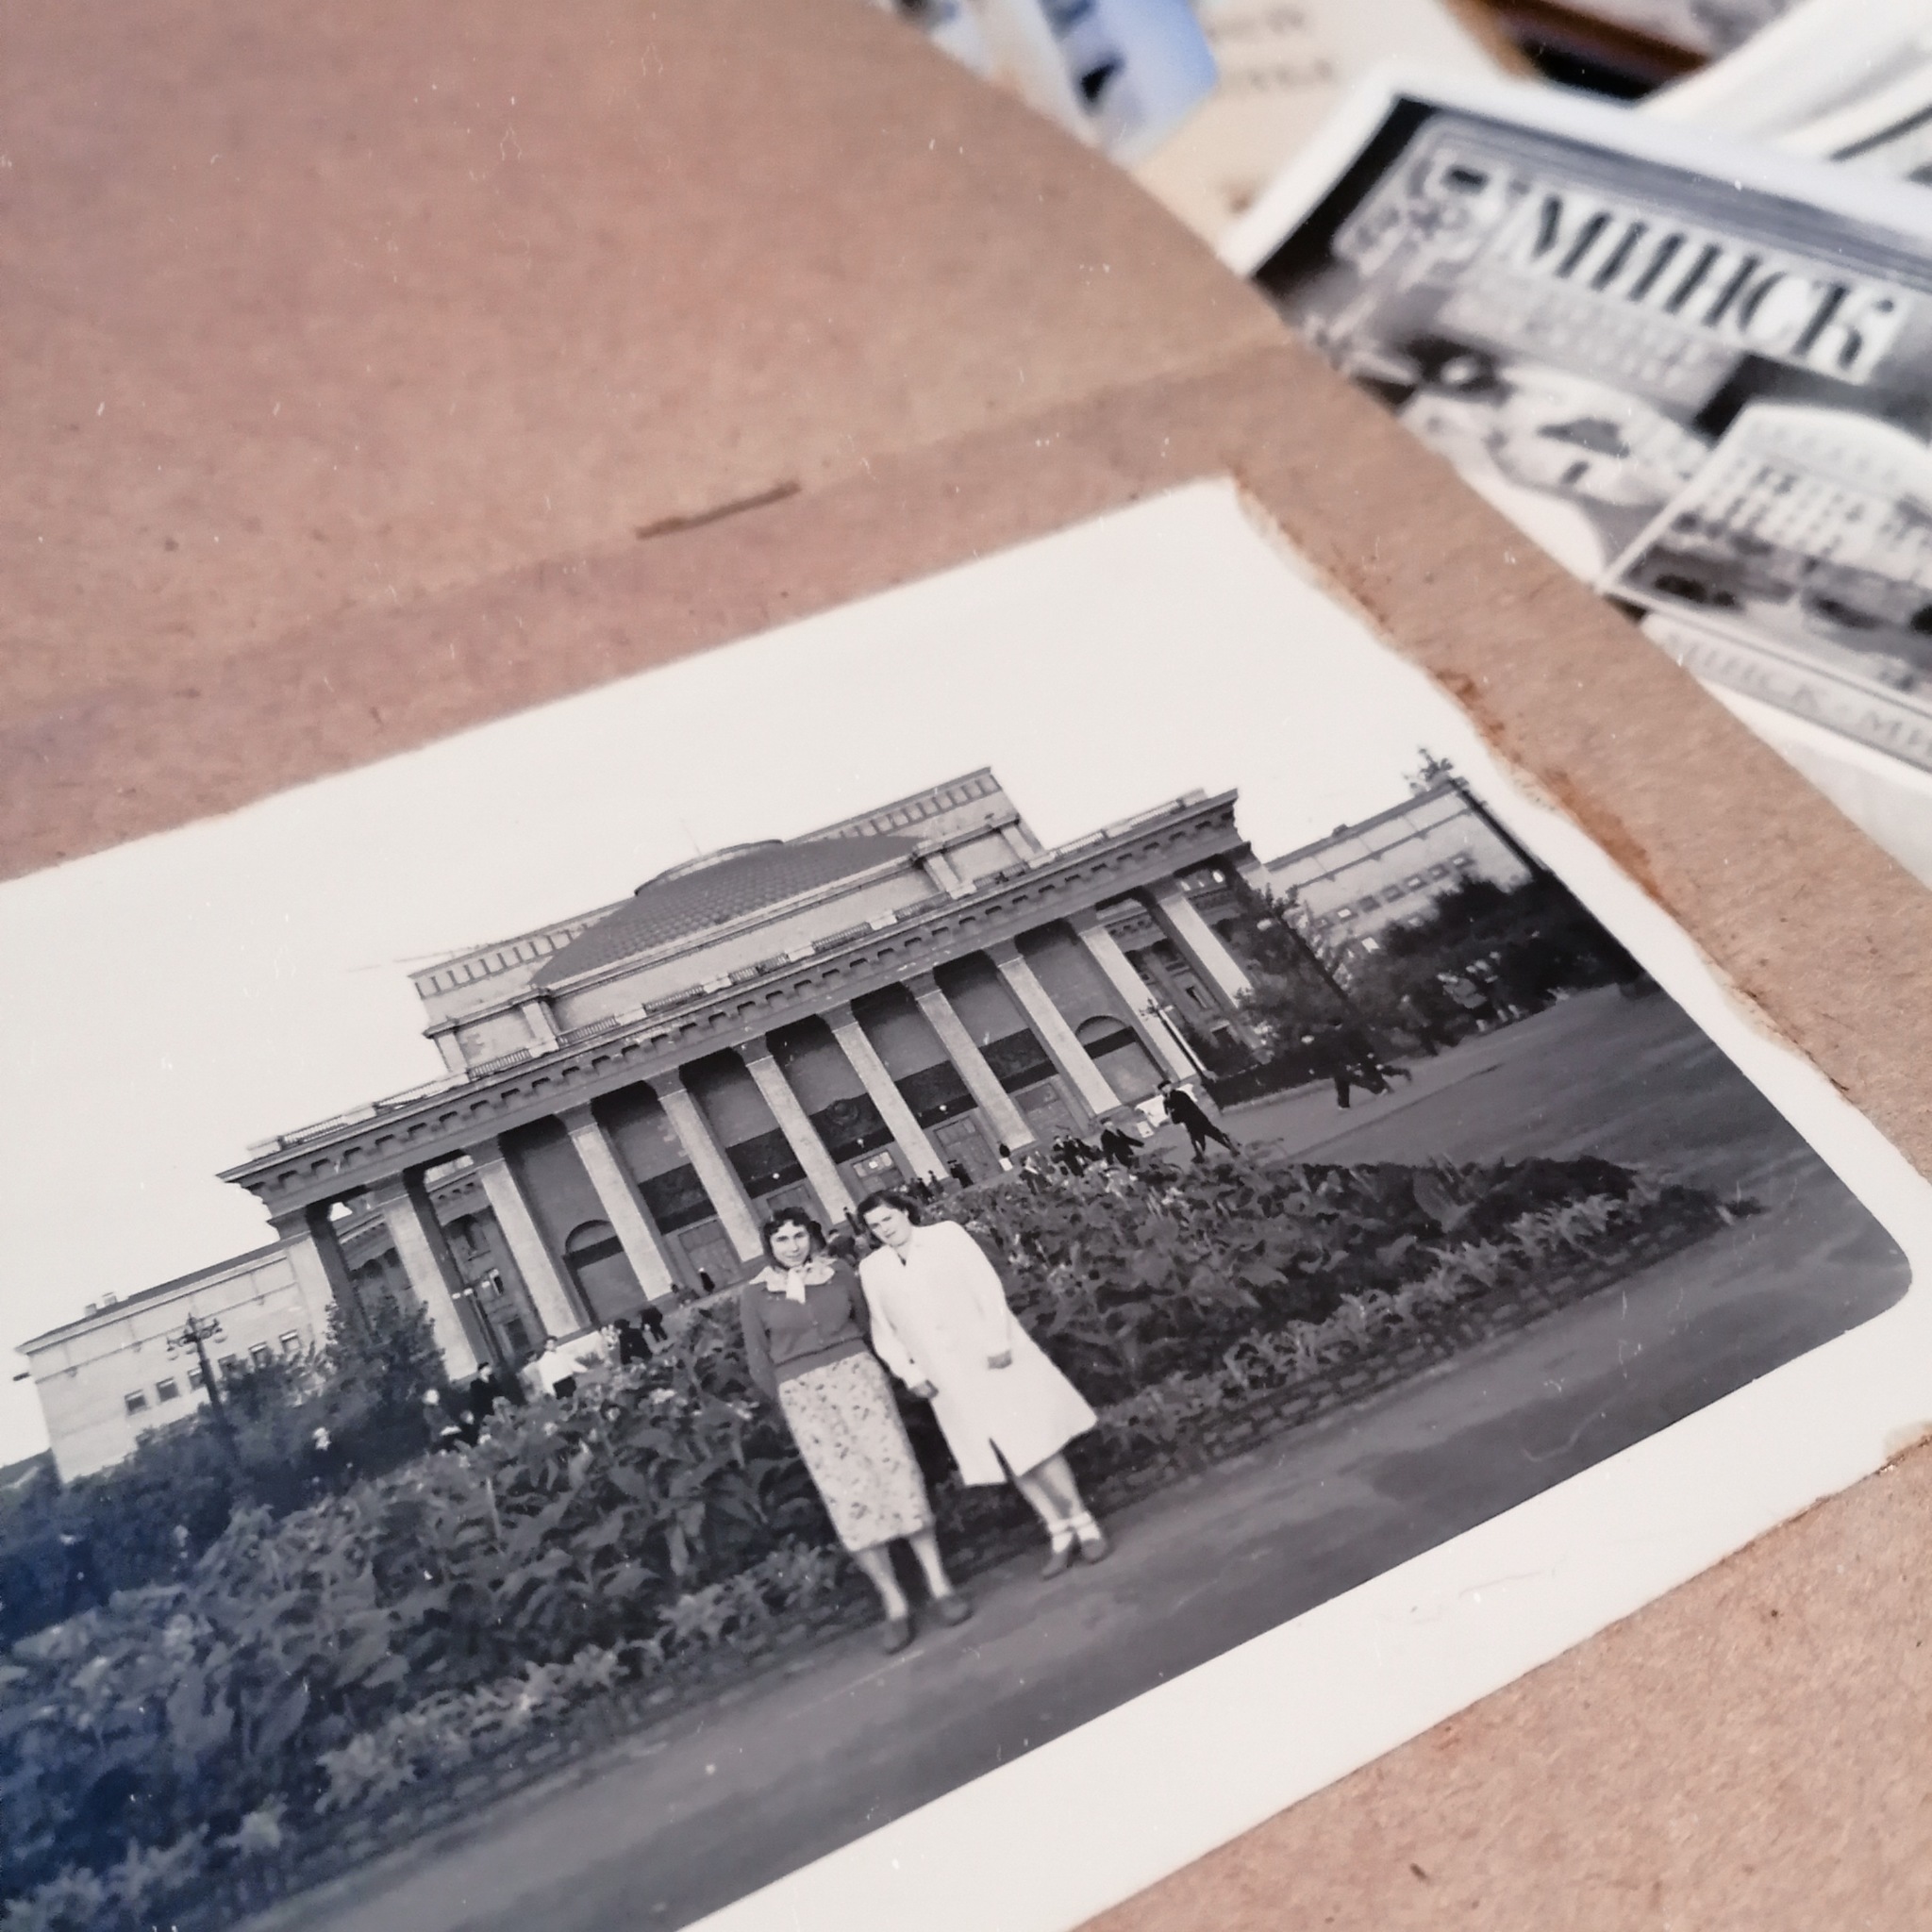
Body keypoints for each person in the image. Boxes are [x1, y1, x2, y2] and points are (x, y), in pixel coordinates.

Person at [740, 1206, 971, 1653]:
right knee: (846, 1492)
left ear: (812, 1236)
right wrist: (794, 1395)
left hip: (858, 1379)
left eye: (799, 1236)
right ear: (769, 1246)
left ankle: (940, 1585)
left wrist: (853, 1365)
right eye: (782, 1239)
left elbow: (865, 1323)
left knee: (895, 1470)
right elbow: (758, 1361)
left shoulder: (838, 1272)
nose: (793, 1246)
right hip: (804, 1396)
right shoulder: (755, 1295)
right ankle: (895, 1602)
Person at [857, 1189, 1108, 1578]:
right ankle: (1057, 1531)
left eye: (888, 1219)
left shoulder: (946, 1235)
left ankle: (1083, 1522)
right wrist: (911, 1374)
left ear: (905, 1212)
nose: (883, 1230)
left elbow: (987, 1287)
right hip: (944, 1377)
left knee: (1034, 1441)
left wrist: (997, 1341)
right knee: (1001, 1450)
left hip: (991, 1358)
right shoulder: (874, 1268)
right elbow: (882, 1331)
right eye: (874, 1227)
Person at [1157, 1079, 1237, 1158]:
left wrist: (1175, 1113)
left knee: (1212, 1133)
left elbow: (1184, 1108)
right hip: (1189, 1122)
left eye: (1167, 1086)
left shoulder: (1179, 1094)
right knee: (1197, 1139)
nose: (1165, 1089)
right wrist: (1175, 1117)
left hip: (1197, 1118)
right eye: (1163, 1088)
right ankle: (1200, 1156)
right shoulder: (1166, 1101)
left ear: (1171, 1086)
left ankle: (1231, 1146)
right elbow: (1169, 1112)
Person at [533, 1335, 580, 1400]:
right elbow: (545, 1376)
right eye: (550, 1344)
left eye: (554, 1343)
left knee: (576, 1398)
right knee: (567, 1403)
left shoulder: (561, 1354)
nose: (553, 1345)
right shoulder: (543, 1361)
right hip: (558, 1384)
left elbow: (571, 1364)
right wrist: (550, 1390)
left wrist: (584, 1370)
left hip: (568, 1380)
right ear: (545, 1346)